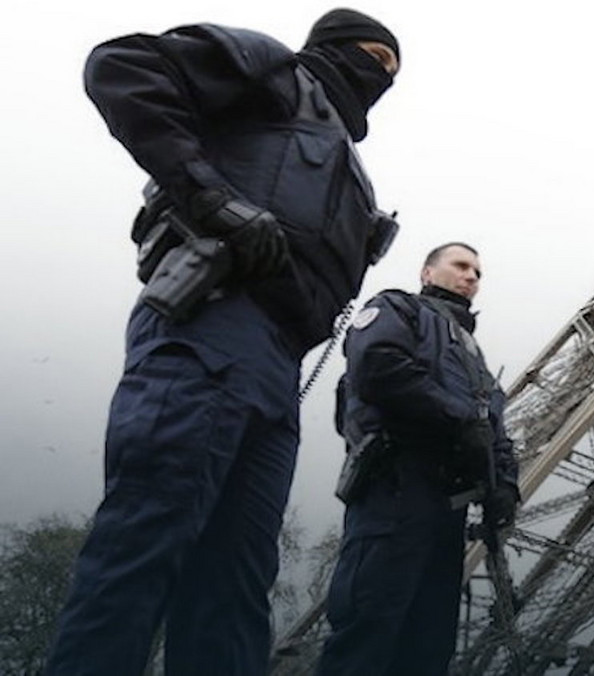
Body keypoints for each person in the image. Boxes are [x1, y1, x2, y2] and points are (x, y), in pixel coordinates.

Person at [45, 9, 401, 675]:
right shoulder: (278, 74)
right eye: (373, 55)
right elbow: (122, 67)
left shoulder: (354, 171)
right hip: (213, 320)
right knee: (148, 536)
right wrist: (210, 198)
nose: (382, 75)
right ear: (331, 47)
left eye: (393, 70)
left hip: (277, 370)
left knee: (238, 582)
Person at [317, 242, 521, 676]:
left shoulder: (475, 363)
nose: (471, 277)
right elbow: (377, 365)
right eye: (461, 265)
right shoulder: (397, 308)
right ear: (427, 273)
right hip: (396, 489)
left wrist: (506, 484)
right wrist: (460, 420)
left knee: (429, 644)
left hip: (446, 509)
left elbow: (494, 429)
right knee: (370, 628)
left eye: (478, 272)